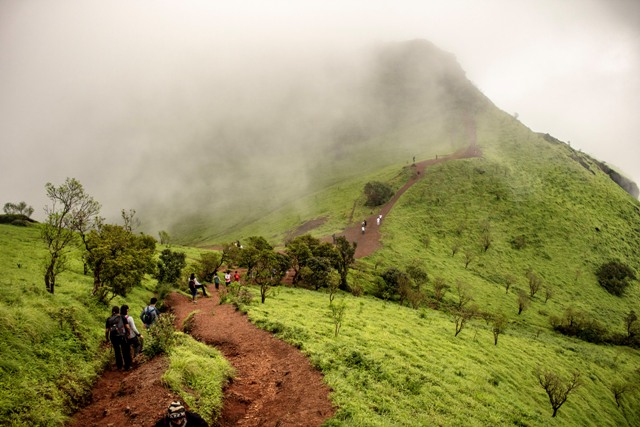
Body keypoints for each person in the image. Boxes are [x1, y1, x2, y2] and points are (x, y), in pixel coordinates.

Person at [105, 306, 131, 371]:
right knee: (124, 350)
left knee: (117, 351)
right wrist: (128, 333)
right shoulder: (122, 317)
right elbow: (127, 327)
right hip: (122, 336)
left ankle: (119, 366)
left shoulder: (109, 319)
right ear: (118, 311)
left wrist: (107, 338)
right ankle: (127, 366)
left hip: (113, 337)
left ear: (112, 312)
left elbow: (107, 330)